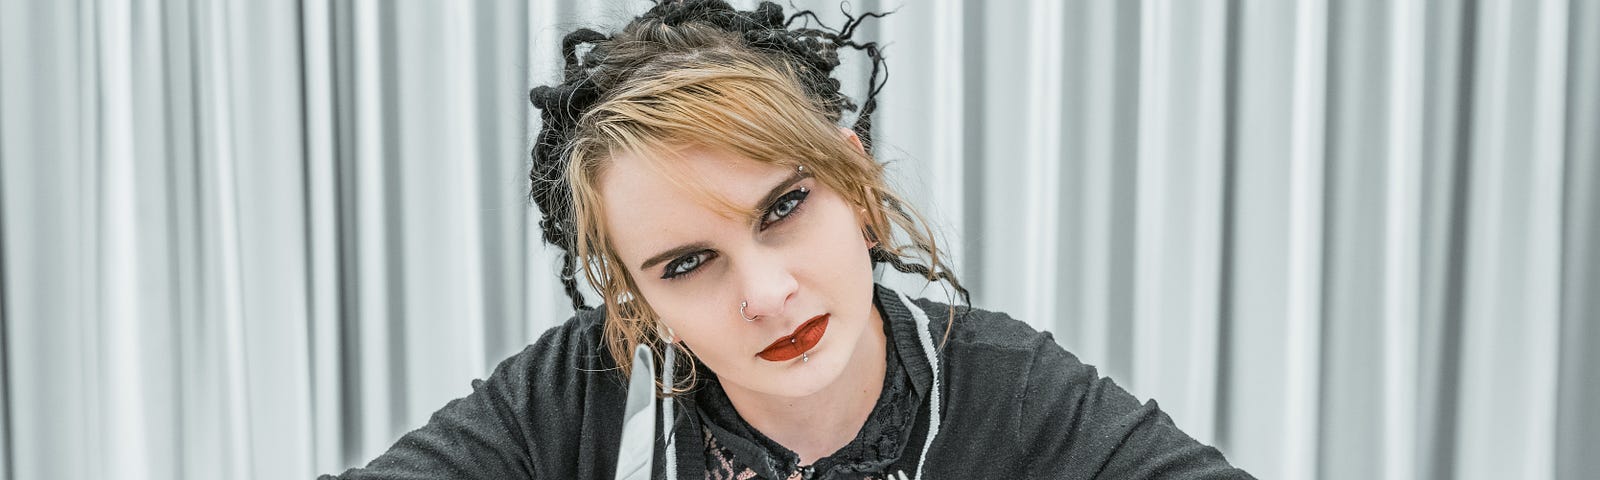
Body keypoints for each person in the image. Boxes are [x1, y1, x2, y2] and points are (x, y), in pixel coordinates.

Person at [322, 1, 1253, 478]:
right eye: (686, 263)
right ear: (635, 298)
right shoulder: (574, 399)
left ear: (855, 182)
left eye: (782, 208)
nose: (766, 294)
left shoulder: (1012, 393)